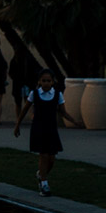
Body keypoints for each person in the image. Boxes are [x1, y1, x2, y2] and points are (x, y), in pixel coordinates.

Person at [12, 68, 68, 196]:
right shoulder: (35, 94)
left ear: (53, 82)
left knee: (52, 158)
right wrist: (17, 125)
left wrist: (75, 122)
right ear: (39, 82)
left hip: (52, 129)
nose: (46, 83)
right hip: (39, 128)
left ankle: (41, 174)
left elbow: (63, 112)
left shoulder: (58, 94)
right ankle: (44, 183)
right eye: (43, 81)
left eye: (49, 80)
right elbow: (25, 110)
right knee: (43, 155)